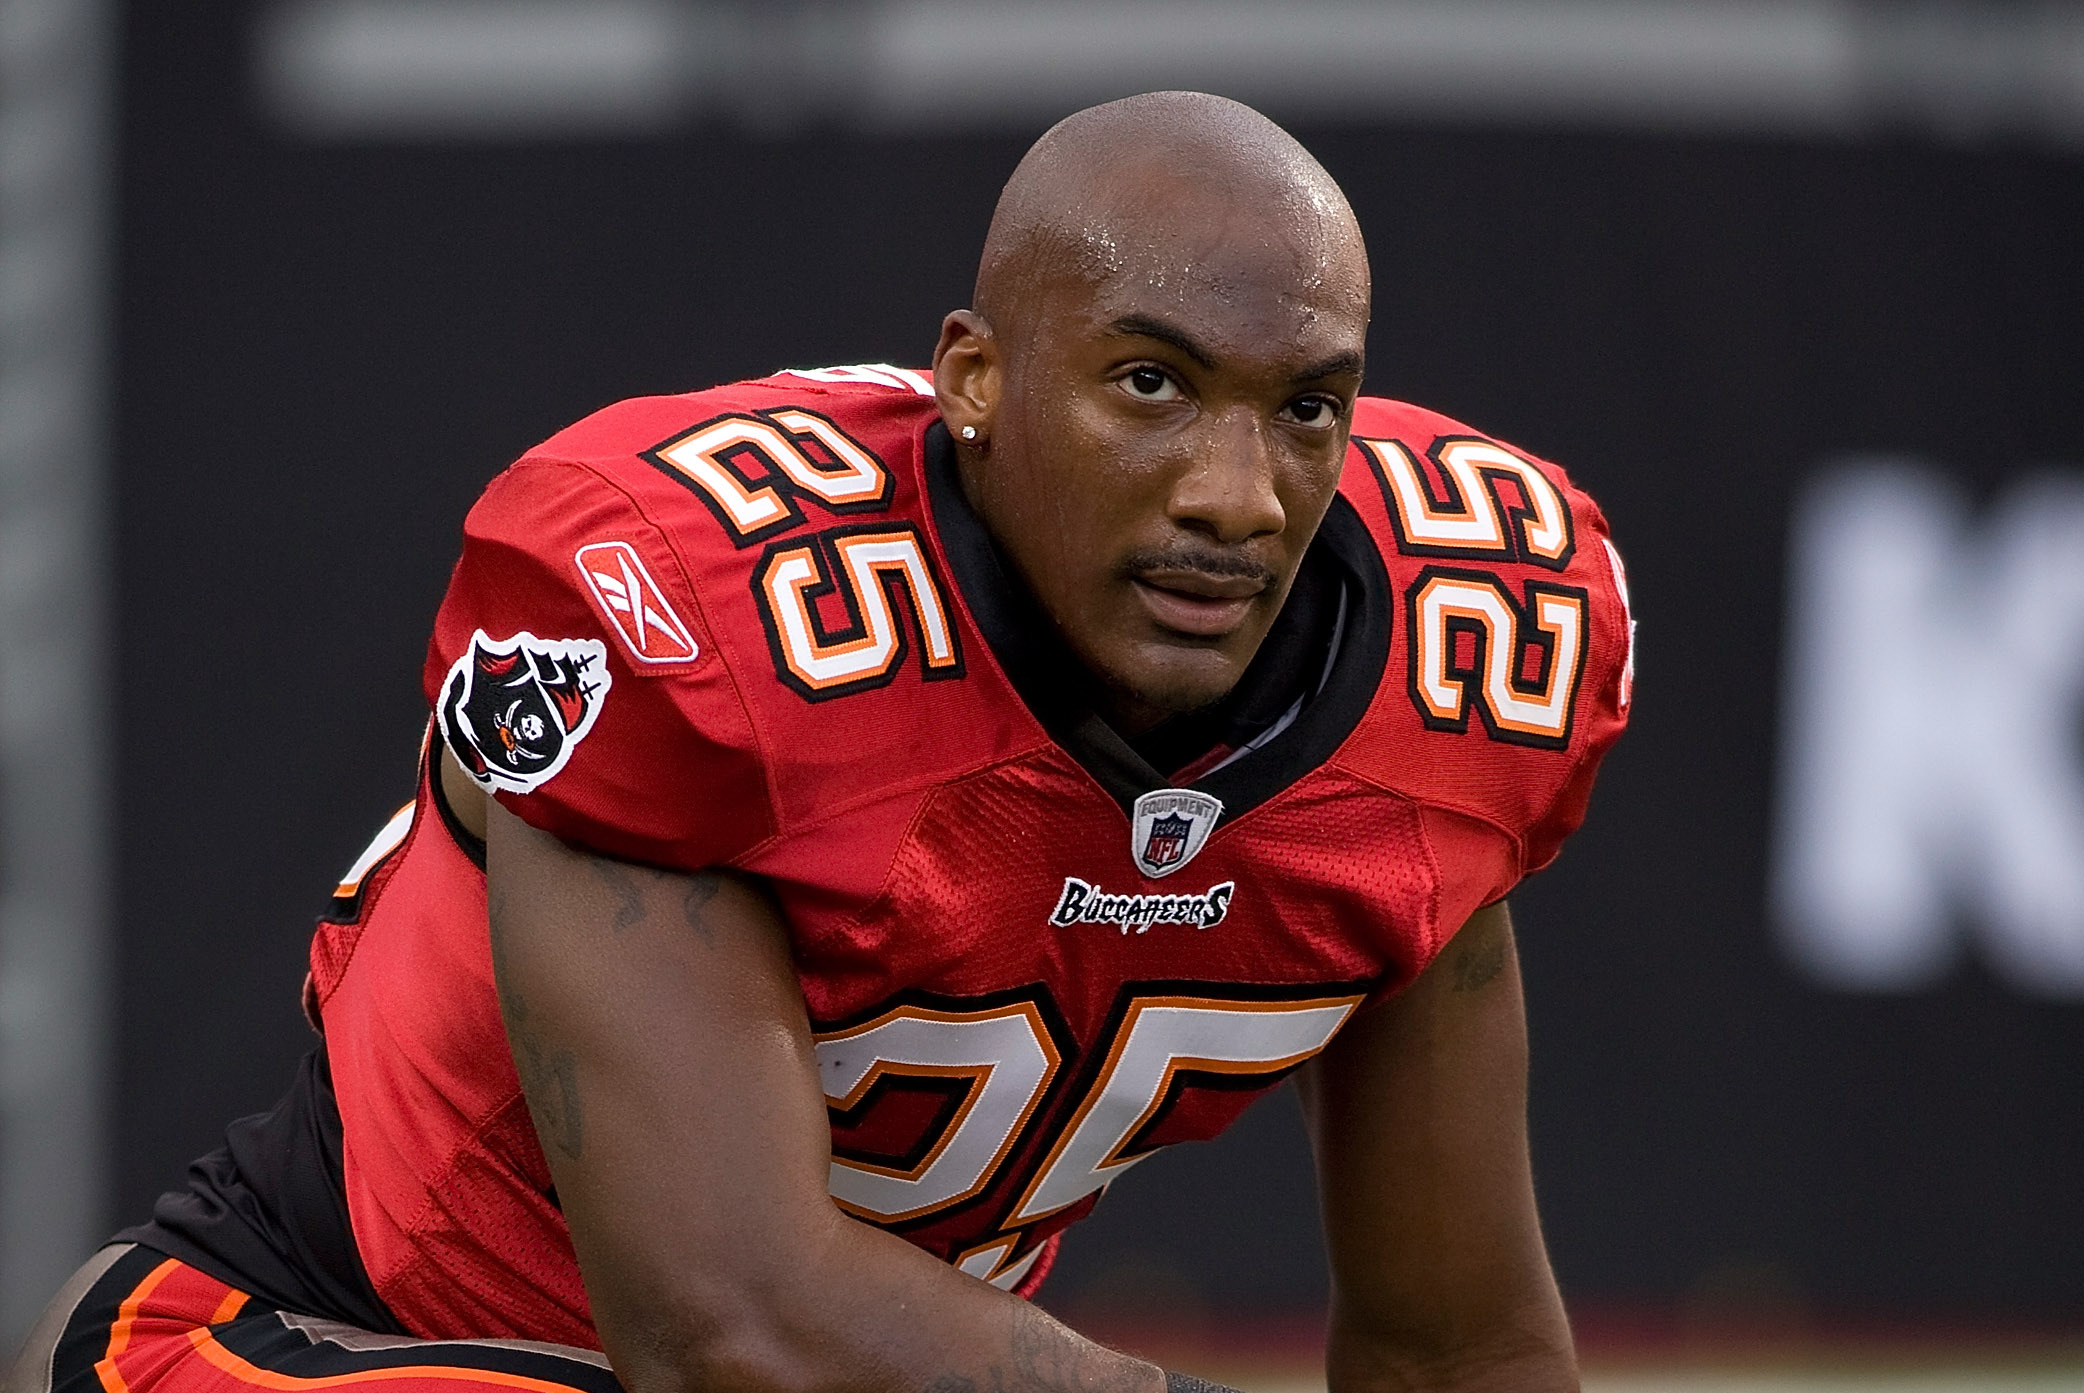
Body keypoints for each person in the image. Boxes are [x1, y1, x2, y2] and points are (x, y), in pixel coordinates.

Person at [9, 91, 1632, 1393]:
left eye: (1305, 408)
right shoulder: (700, 620)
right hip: (306, 1338)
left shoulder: (1458, 680)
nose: (1236, 491)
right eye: (1150, 383)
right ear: (974, 380)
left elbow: (1459, 1342)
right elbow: (737, 1329)